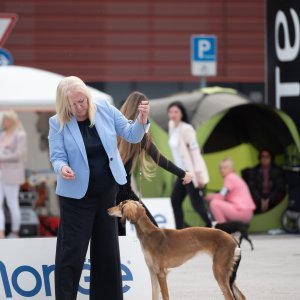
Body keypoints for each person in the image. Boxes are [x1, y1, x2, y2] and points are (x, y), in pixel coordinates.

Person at [48, 76, 150, 300]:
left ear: (88, 96)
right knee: (71, 254)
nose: (79, 107)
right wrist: (62, 167)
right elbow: (56, 156)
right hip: (75, 199)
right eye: (73, 104)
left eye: (82, 101)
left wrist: (142, 121)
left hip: (106, 194)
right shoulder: (57, 122)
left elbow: (132, 134)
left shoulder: (105, 109)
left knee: (107, 253)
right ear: (64, 104)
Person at [117, 92, 193, 235]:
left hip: (110, 192)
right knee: (153, 232)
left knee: (118, 236)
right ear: (141, 111)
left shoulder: (114, 129)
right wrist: (183, 174)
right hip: (125, 193)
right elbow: (160, 159)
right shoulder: (139, 135)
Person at [167, 101, 212, 229]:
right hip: (181, 173)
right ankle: (179, 231)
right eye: (170, 112)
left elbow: (195, 153)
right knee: (175, 201)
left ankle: (214, 227)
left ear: (182, 114)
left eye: (176, 112)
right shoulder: (171, 126)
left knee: (197, 205)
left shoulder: (186, 129)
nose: (173, 114)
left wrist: (199, 175)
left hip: (191, 173)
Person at [0, 110, 27, 239]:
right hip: (1, 173)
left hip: (12, 174)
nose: (3, 122)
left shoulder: (20, 135)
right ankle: (1, 231)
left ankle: (15, 231)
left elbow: (17, 155)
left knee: (12, 203)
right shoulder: (2, 135)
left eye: (5, 119)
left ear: (11, 121)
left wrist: (2, 158)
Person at [204, 158, 256, 223]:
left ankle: (223, 229)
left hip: (241, 211)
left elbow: (221, 196)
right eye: (220, 168)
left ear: (231, 168)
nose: (222, 170)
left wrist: (207, 197)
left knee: (214, 204)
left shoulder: (229, 177)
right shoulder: (235, 176)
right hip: (247, 212)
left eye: (225, 167)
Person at [246, 149, 286, 214]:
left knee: (280, 196)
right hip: (259, 195)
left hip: (272, 195)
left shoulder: (277, 170)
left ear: (271, 158)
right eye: (262, 156)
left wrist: (268, 199)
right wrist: (261, 200)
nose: (264, 159)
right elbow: (252, 187)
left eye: (267, 157)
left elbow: (279, 187)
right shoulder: (253, 171)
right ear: (259, 158)